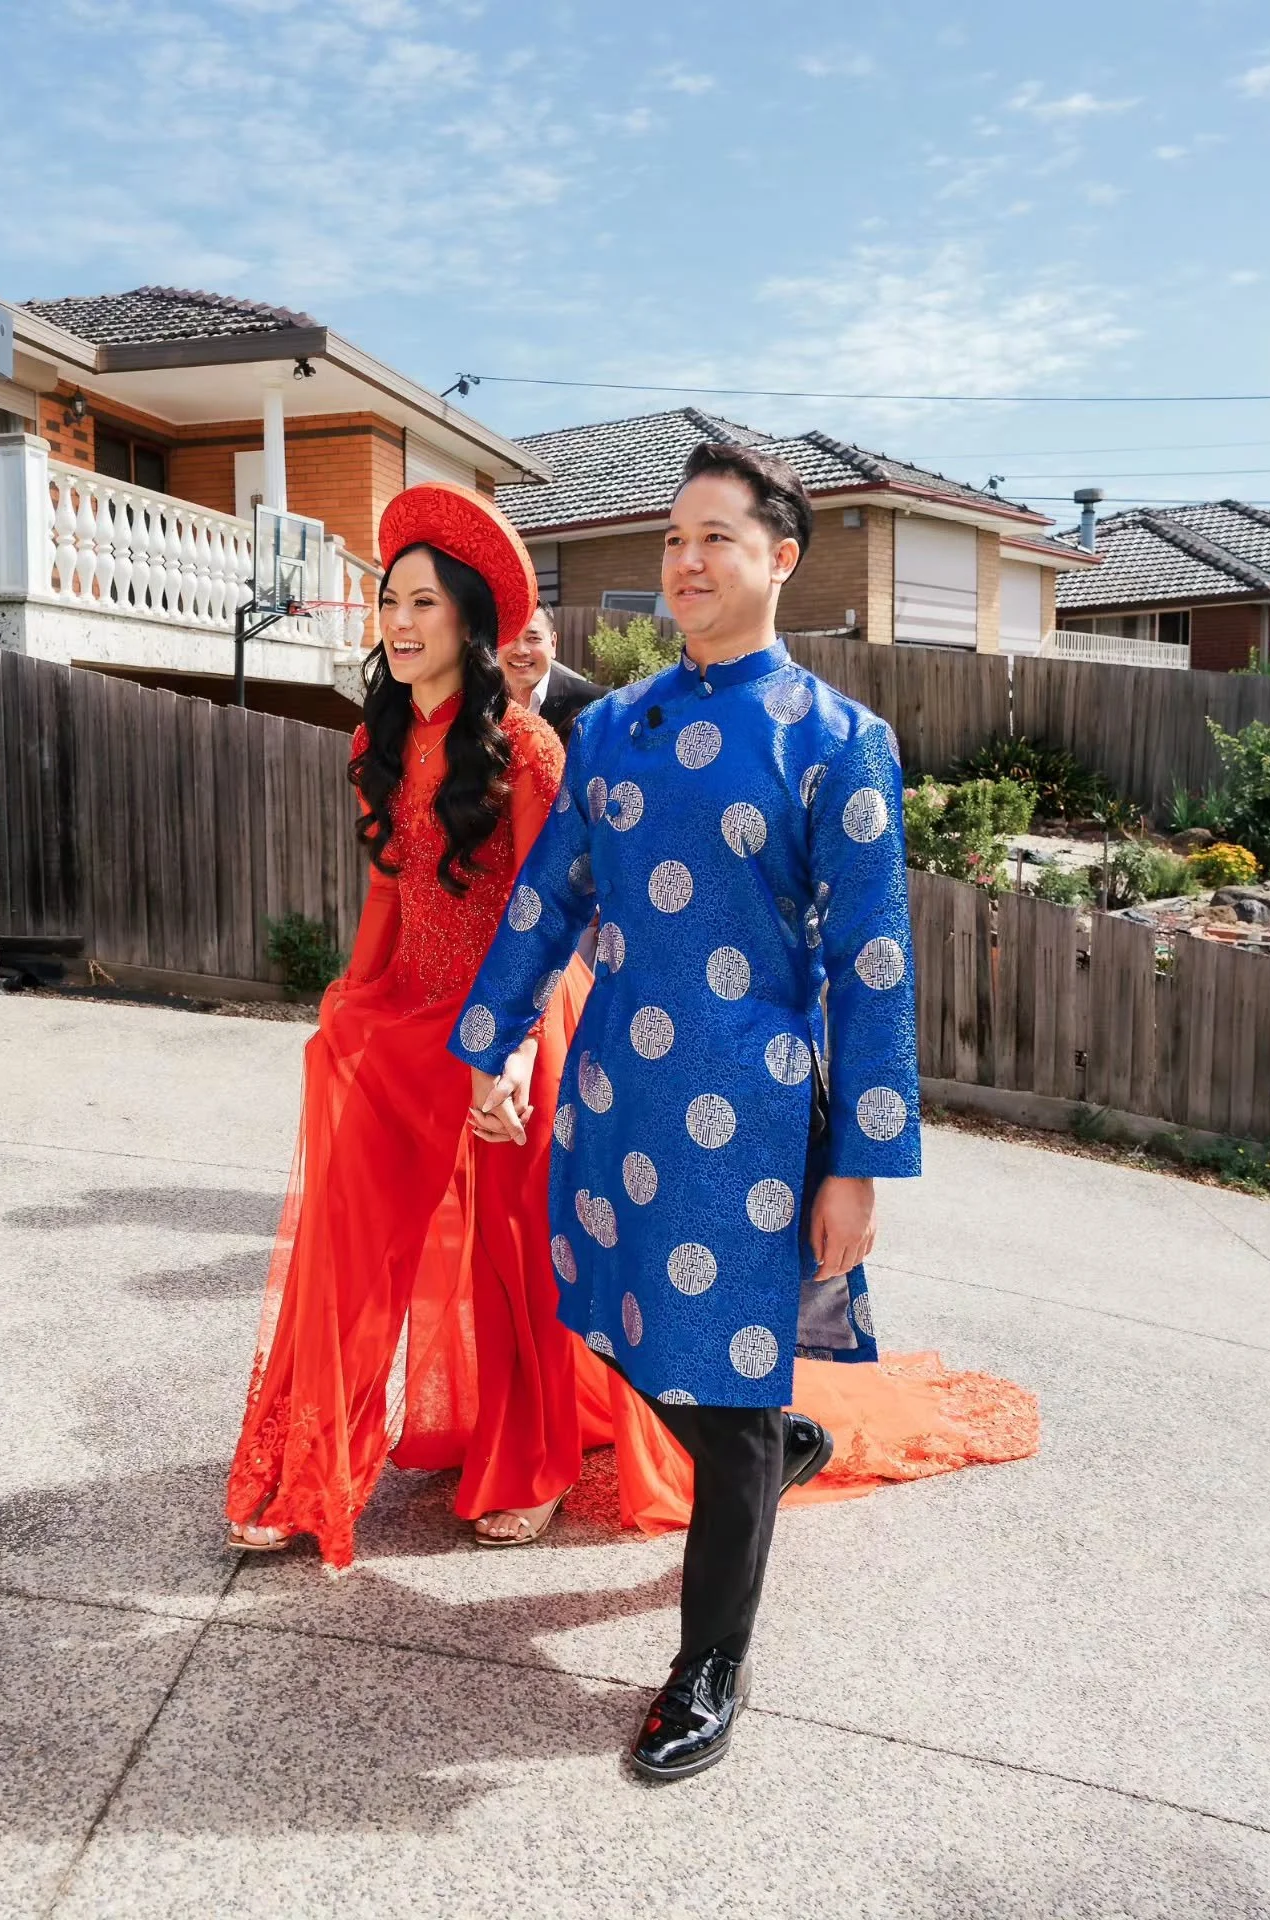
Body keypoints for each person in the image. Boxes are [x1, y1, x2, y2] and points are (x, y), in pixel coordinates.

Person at [450, 441, 1036, 1781]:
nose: (685, 563)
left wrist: (861, 1160)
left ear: (780, 559)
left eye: (714, 537)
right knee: (616, 1324)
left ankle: (709, 1663)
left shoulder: (839, 743)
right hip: (615, 1101)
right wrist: (494, 1047)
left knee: (723, 1368)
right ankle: (783, 1445)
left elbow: (872, 964)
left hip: (756, 1129)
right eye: (671, 540)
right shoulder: (611, 728)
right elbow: (550, 898)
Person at [225, 482, 643, 1560]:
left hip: (510, 1030)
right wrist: (350, 1010)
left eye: (423, 603)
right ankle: (309, 1466)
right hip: (406, 1020)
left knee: (513, 1255)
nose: (400, 624)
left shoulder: (531, 752)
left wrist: (501, 1053)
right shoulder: (379, 742)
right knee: (347, 1241)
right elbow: (390, 893)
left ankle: (534, 1462)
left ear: (469, 620)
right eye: (388, 603)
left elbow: (555, 919)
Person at [499, 602, 602, 743]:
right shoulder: (476, 704)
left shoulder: (594, 704)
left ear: (553, 644)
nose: (521, 650)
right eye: (510, 637)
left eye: (533, 638)